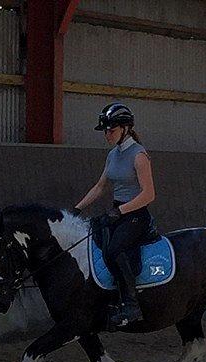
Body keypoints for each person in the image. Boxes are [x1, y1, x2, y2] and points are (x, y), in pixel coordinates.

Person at [72, 102, 156, 328]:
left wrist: (120, 211)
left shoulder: (139, 156)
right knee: (96, 241)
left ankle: (132, 304)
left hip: (136, 214)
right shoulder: (112, 155)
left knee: (115, 248)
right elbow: (100, 187)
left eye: (111, 130)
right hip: (117, 211)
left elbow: (149, 194)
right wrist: (77, 209)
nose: (107, 134)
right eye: (106, 131)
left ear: (125, 129)